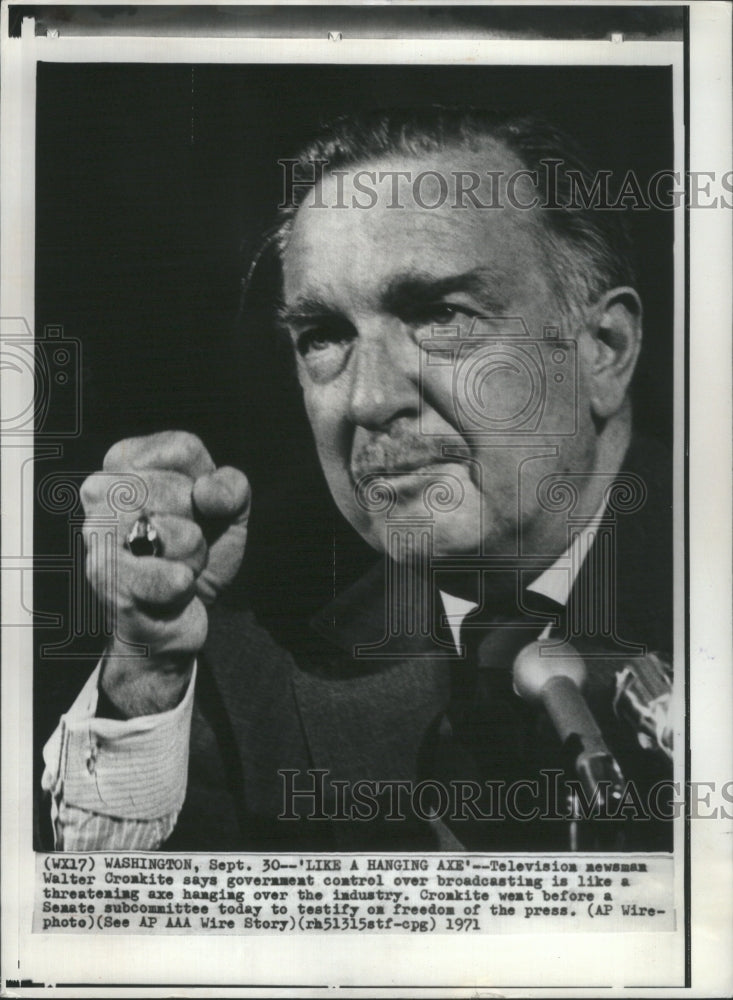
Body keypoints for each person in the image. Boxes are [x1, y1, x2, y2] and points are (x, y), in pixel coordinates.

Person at [41, 109, 673, 853]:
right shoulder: (254, 654)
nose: (369, 400)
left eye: (440, 314)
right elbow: (114, 941)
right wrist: (145, 673)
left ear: (603, 349)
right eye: (324, 337)